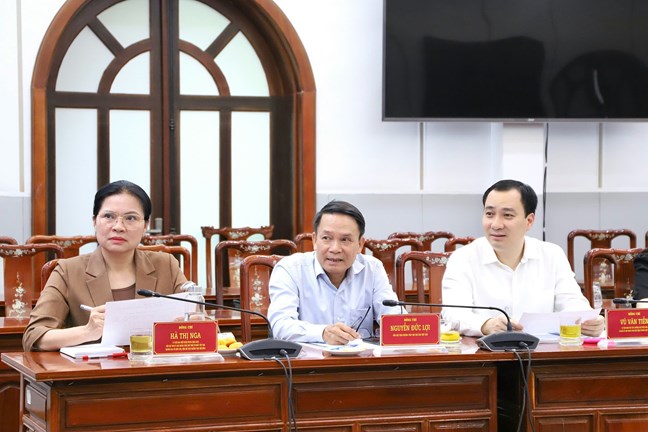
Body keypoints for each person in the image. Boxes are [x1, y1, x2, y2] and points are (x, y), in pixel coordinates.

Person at [23, 180, 187, 351]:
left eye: (130, 218)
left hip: (154, 366)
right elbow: (34, 336)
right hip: (93, 367)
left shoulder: (166, 265)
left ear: (145, 225)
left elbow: (196, 320)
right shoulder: (68, 271)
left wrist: (194, 321)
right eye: (109, 216)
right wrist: (87, 331)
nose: (118, 227)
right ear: (94, 221)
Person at [441, 179, 604, 337]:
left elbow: (572, 302)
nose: (496, 224)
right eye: (489, 214)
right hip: (483, 352)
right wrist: (486, 325)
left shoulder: (552, 255)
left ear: (529, 221)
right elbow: (453, 314)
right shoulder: (463, 259)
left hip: (541, 351)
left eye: (507, 215)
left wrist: (587, 320)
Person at [268, 200, 402, 344]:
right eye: (326, 238)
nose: (335, 249)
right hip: (306, 358)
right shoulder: (290, 269)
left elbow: (394, 318)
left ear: (360, 244)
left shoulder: (372, 269)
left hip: (360, 357)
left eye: (345, 240)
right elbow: (280, 325)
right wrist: (322, 333)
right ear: (314, 240)